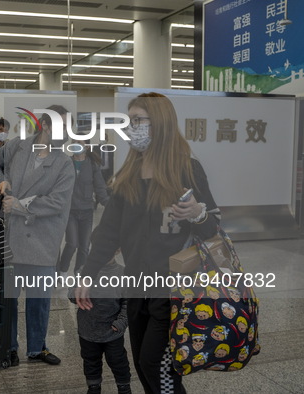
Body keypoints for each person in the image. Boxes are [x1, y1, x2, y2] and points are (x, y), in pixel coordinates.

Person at [76, 93, 220, 394]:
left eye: (139, 120)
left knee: (156, 363)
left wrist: (197, 212)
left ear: (161, 123)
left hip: (174, 288)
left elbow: (212, 228)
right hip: (137, 286)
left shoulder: (187, 169)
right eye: (129, 121)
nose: (132, 128)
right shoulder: (128, 175)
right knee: (144, 363)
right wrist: (87, 274)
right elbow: (108, 232)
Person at [0, 104, 75, 366]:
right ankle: (9, 346)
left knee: (39, 300)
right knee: (9, 298)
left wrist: (21, 206)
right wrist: (0, 180)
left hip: (43, 239)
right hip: (10, 238)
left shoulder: (64, 163)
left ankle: (37, 348)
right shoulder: (18, 146)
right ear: (45, 125)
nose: (68, 132)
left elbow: (58, 202)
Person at [69, 256, 131, 394]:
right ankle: (94, 387)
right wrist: (78, 291)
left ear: (118, 249)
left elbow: (128, 303)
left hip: (112, 332)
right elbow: (71, 294)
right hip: (88, 331)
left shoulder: (123, 274)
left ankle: (124, 387)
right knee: (91, 362)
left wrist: (121, 322)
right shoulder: (83, 272)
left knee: (118, 361)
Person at [57, 136, 109, 276]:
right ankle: (62, 271)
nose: (75, 145)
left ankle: (79, 274)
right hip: (70, 211)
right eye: (73, 142)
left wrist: (109, 206)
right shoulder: (66, 163)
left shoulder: (92, 165)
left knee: (84, 247)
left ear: (86, 146)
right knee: (72, 243)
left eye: (79, 142)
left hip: (87, 211)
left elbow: (100, 188)